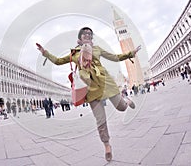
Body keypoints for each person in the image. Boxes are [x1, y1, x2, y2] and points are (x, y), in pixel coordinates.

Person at [36, 27, 141, 162]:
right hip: (90, 89)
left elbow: (115, 57)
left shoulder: (97, 49)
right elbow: (57, 61)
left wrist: (130, 53)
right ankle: (107, 145)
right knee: (100, 120)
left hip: (106, 83)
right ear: (80, 38)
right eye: (85, 34)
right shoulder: (74, 54)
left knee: (121, 108)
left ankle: (126, 101)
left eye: (90, 34)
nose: (87, 35)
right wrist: (45, 52)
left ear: (91, 38)